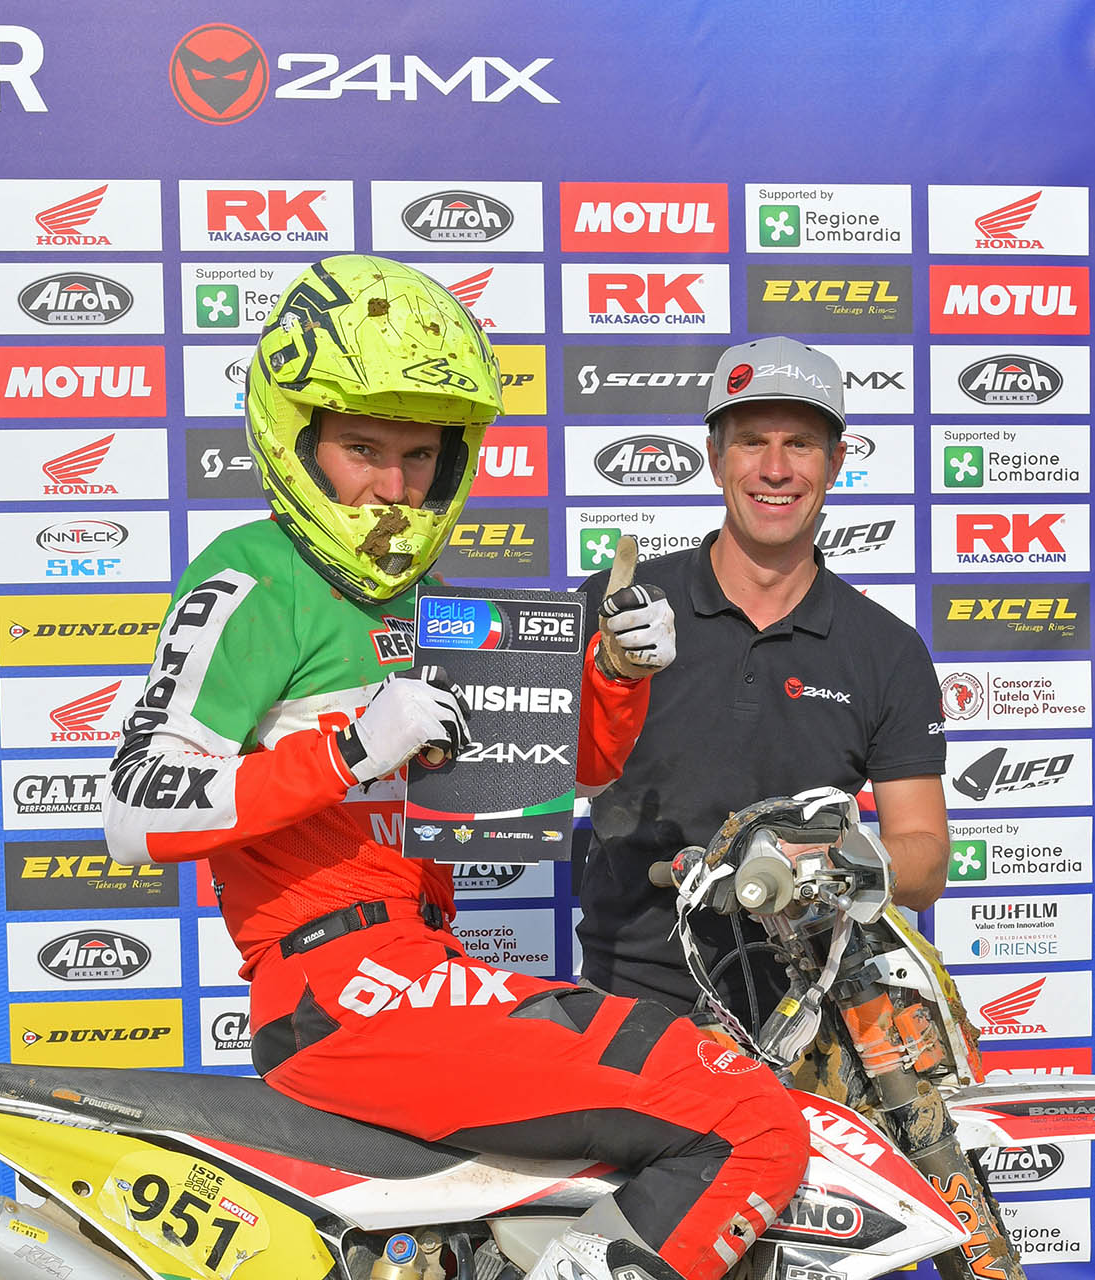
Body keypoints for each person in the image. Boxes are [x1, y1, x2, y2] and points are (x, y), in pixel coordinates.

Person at [105, 256, 806, 1280]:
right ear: (295, 438)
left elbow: (553, 772)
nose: (394, 488)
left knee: (691, 1101)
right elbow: (133, 810)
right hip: (337, 990)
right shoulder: (254, 578)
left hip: (421, 970)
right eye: (362, 449)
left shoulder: (431, 603)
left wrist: (613, 674)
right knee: (748, 1119)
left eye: (419, 456)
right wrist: (345, 749)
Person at [577, 336, 950, 1023]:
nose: (775, 470)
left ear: (836, 463)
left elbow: (925, 862)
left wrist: (825, 860)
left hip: (814, 1013)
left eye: (800, 445)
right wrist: (606, 671)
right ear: (715, 457)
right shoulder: (619, 609)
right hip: (631, 1003)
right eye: (751, 442)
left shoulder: (886, 650)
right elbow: (537, 782)